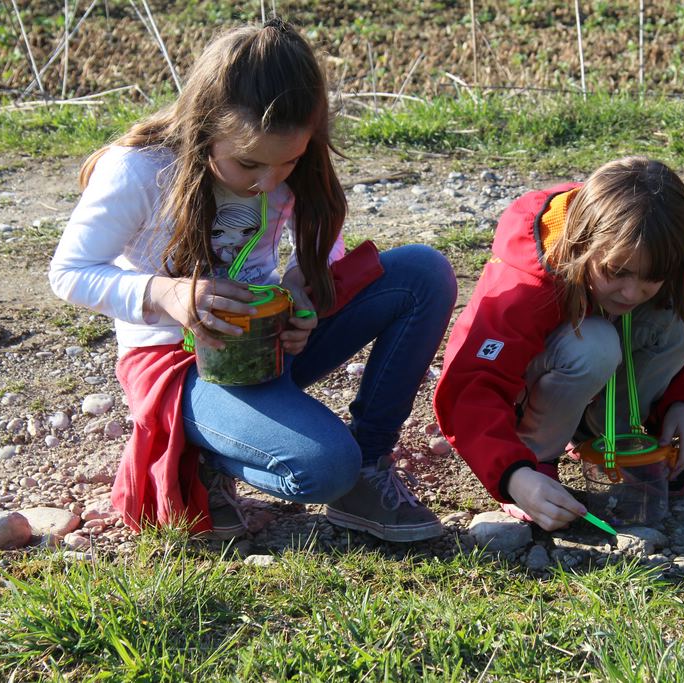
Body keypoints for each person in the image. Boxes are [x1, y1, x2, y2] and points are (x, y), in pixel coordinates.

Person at [49, 19, 456, 543]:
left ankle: (369, 470)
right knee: (325, 468)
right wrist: (167, 293)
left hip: (265, 341)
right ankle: (206, 454)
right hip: (179, 363)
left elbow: (322, 246)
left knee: (422, 273)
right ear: (203, 126)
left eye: (288, 162)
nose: (267, 181)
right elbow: (69, 273)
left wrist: (303, 291)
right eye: (248, 164)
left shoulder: (290, 166)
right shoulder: (138, 170)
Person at [433, 157, 684, 531]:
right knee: (593, 345)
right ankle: (536, 456)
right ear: (583, 243)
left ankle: (614, 437)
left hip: (585, 379)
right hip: (530, 388)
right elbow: (471, 387)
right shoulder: (527, 284)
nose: (632, 293)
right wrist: (514, 474)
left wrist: (680, 401)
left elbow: (677, 312)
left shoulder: (653, 242)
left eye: (652, 277)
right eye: (617, 271)